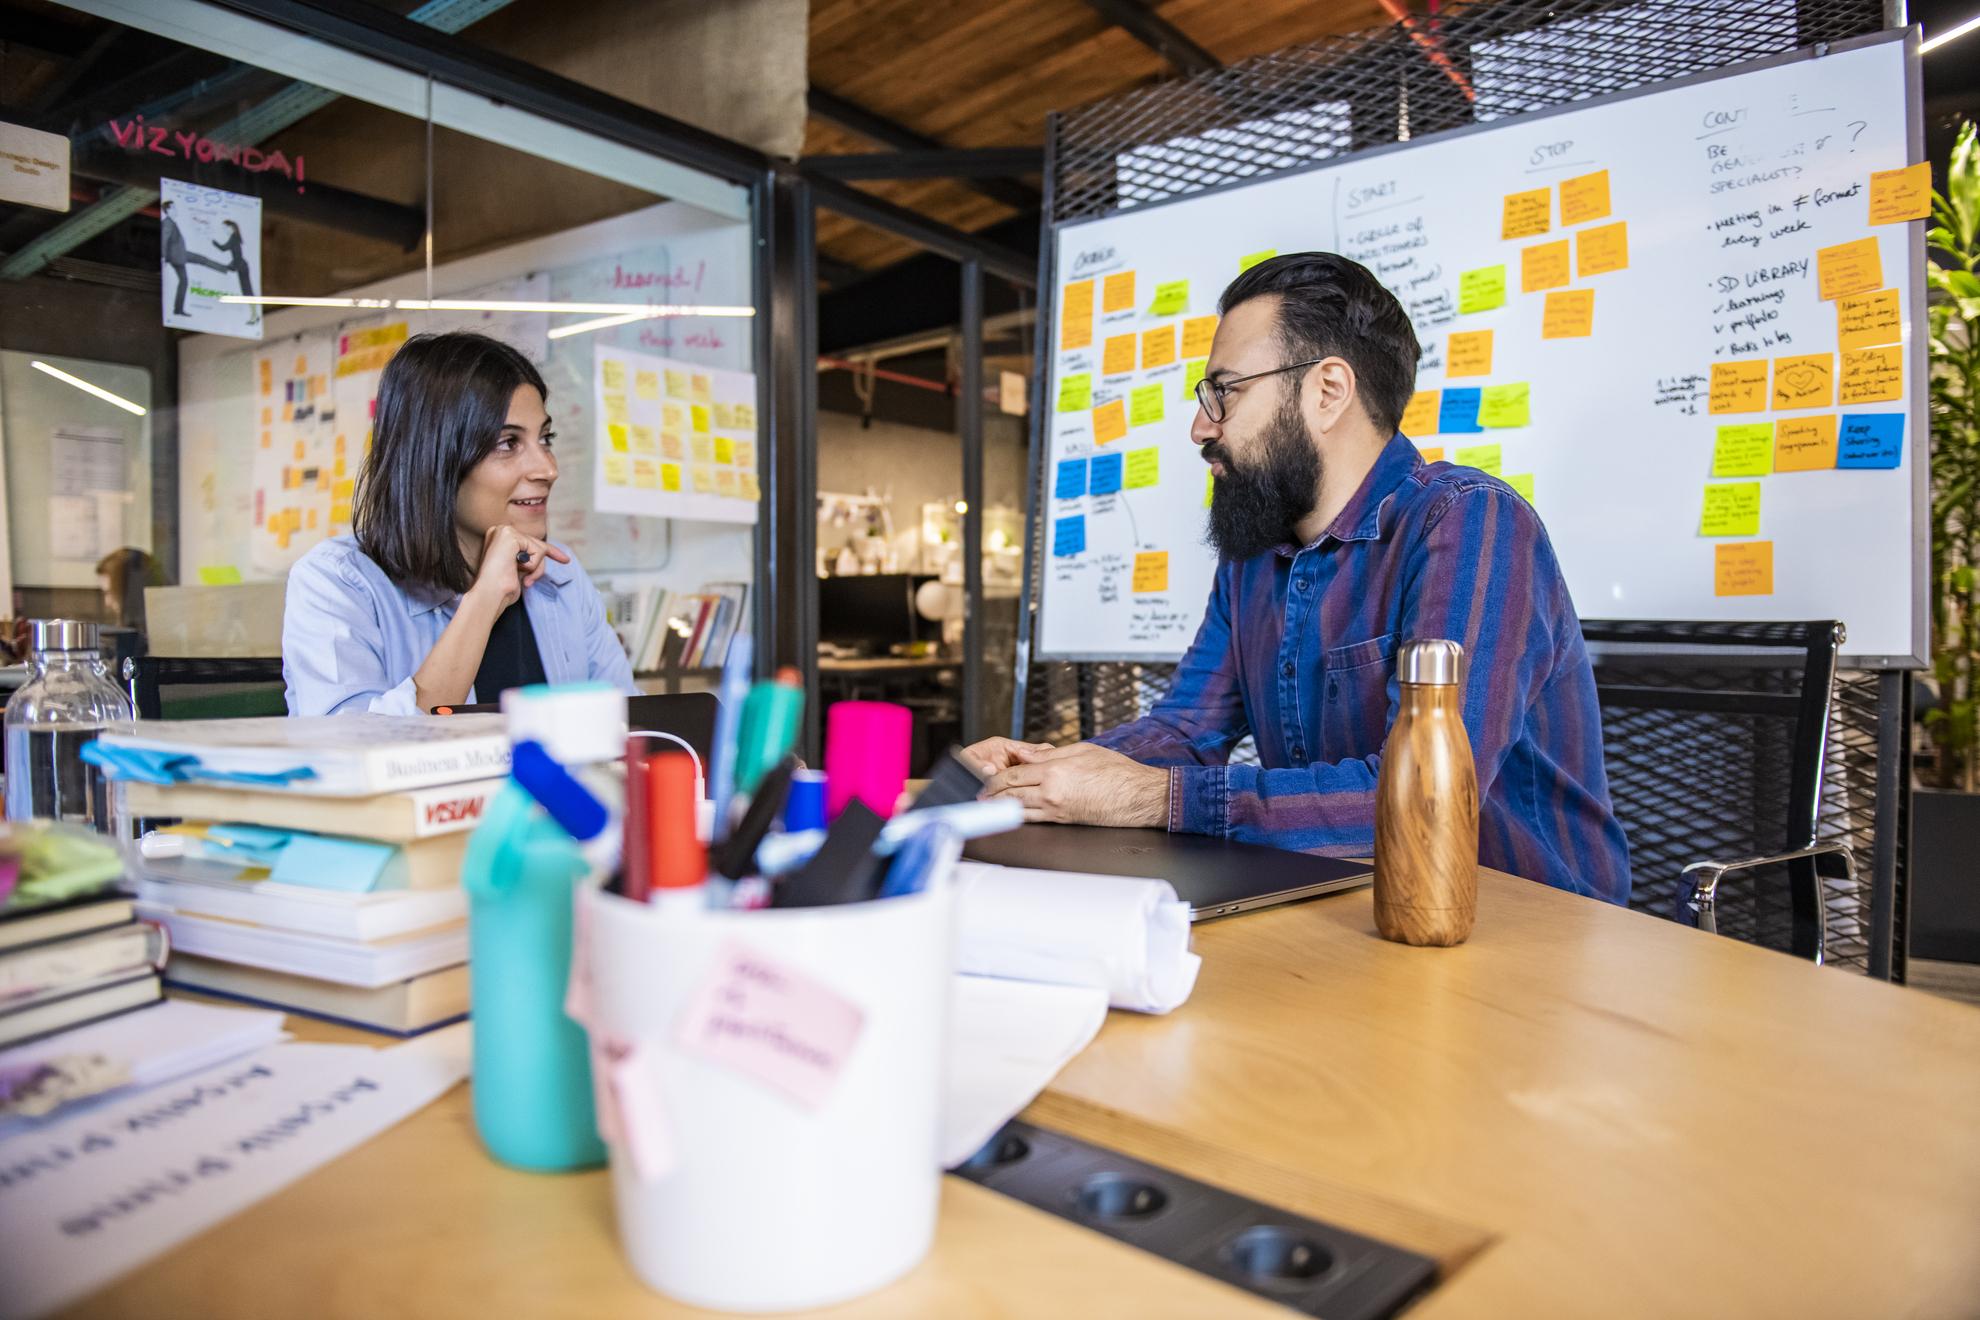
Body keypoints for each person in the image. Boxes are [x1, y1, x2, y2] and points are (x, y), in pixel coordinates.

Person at [966, 253, 1631, 903]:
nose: (1201, 427)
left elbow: (1425, 797)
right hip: (1347, 908)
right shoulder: (1252, 561)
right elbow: (1186, 731)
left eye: (1224, 392)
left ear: (1327, 391)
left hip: (1528, 928)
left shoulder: (1469, 523)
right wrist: (1046, 773)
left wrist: (1149, 795)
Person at [283, 332, 636, 715]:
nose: (548, 469)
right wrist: (485, 598)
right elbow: (354, 756)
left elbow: (634, 730)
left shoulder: (560, 576)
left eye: (545, 438)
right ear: (434, 459)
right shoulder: (339, 583)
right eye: (507, 444)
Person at [159, 200, 228, 320]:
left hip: (179, 254)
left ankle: (178, 309)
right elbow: (164, 240)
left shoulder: (170, 222)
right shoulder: (168, 223)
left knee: (194, 269)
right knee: (189, 275)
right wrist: (164, 257)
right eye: (174, 208)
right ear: (168, 210)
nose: (176, 210)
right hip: (177, 257)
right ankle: (225, 269)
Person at [211, 220, 260, 325]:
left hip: (240, 266)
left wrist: (212, 241)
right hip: (240, 265)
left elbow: (223, 249)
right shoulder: (234, 238)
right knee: (247, 292)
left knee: (247, 292)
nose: (224, 230)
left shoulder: (233, 239)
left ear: (231, 228)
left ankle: (254, 315)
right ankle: (254, 315)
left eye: (225, 228)